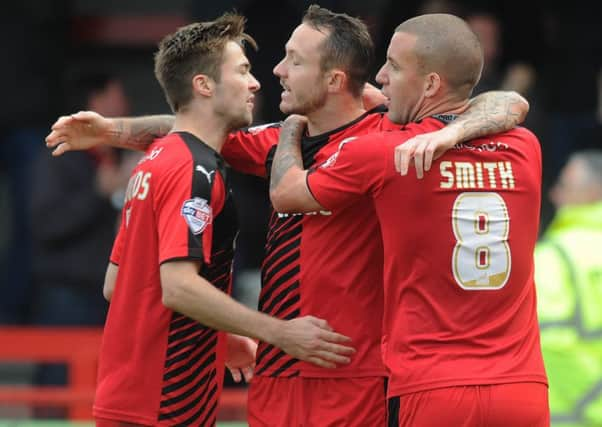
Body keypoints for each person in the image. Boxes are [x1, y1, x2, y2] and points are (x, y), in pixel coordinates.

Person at [45, 6, 530, 426]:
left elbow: (497, 103)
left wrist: (451, 133)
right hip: (276, 371)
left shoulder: (391, 140)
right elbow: (200, 126)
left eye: (295, 60)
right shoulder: (283, 141)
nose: (275, 70)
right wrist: (113, 129)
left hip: (349, 372)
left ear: (335, 79)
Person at [269, 13, 548, 426]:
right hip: (521, 389)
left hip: (431, 390)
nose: (380, 76)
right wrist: (450, 131)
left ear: (431, 84)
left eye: (394, 67)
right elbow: (510, 103)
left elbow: (286, 193)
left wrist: (291, 127)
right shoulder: (525, 148)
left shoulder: (384, 153)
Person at [84, 14, 354, 427]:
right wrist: (278, 333)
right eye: (243, 71)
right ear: (204, 85)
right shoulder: (195, 170)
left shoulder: (154, 161)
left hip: (126, 398)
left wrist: (221, 337)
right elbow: (178, 287)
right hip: (166, 405)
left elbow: (117, 285)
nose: (256, 83)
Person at [29, 71, 133, 418]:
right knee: (58, 391)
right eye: (116, 99)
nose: (125, 107)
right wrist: (97, 195)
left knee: (101, 393)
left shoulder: (116, 159)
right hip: (66, 294)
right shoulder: (57, 156)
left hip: (105, 294)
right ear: (95, 104)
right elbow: (46, 225)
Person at [534, 150, 602, 426]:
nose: (553, 195)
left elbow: (549, 344)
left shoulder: (553, 258)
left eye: (563, 186)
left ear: (594, 191)